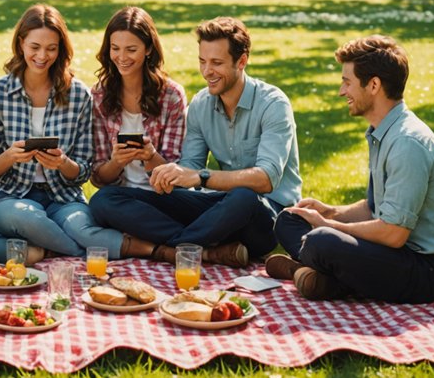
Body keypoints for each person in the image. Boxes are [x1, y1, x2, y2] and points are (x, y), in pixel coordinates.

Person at [267, 36, 434, 303]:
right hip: (396, 254)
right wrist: (328, 211)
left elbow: (393, 233)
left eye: (347, 82)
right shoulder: (383, 132)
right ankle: (323, 276)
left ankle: (320, 274)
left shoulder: (407, 142)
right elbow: (375, 208)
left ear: (374, 85)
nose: (342, 91)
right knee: (289, 219)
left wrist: (329, 225)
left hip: (431, 270)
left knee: (321, 240)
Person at [92, 17, 302, 267]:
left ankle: (174, 248)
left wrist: (200, 177)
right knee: (105, 200)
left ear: (242, 61)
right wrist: (159, 164)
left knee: (243, 196)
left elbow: (266, 179)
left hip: (266, 214)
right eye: (202, 61)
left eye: (216, 63)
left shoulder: (273, 104)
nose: (206, 72)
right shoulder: (202, 105)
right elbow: (186, 175)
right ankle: (205, 248)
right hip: (220, 206)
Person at [0, 4, 145, 264]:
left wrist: (63, 163)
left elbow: (85, 170)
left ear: (61, 49)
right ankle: (81, 252)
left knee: (78, 227)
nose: (42, 56)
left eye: (51, 48)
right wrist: (9, 157)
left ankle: (44, 251)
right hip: (10, 197)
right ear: (21, 43)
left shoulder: (77, 94)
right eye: (35, 47)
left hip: (63, 197)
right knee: (26, 218)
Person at [88, 7, 187, 261]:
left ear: (149, 49)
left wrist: (151, 157)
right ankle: (194, 244)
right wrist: (117, 161)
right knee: (101, 202)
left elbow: (179, 172)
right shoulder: (99, 96)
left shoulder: (171, 96)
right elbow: (98, 177)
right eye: (115, 48)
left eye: (131, 49)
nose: (121, 57)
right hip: (122, 199)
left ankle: (165, 242)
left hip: (164, 198)